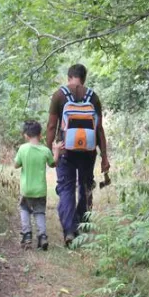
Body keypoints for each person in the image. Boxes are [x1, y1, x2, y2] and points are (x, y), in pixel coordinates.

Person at [46, 63, 110, 247]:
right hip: (88, 151)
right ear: (84, 78)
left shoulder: (59, 95)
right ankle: (84, 225)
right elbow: (99, 129)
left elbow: (51, 126)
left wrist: (49, 149)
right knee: (85, 185)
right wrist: (104, 156)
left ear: (69, 77)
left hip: (65, 149)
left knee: (66, 188)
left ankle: (69, 231)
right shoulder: (93, 96)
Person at [14, 120, 54, 251]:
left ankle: (27, 235)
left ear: (26, 135)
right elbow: (53, 164)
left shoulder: (22, 149)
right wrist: (57, 151)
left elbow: (16, 165)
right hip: (40, 190)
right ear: (40, 135)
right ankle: (42, 237)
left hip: (26, 190)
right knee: (39, 212)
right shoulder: (45, 150)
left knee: (24, 210)